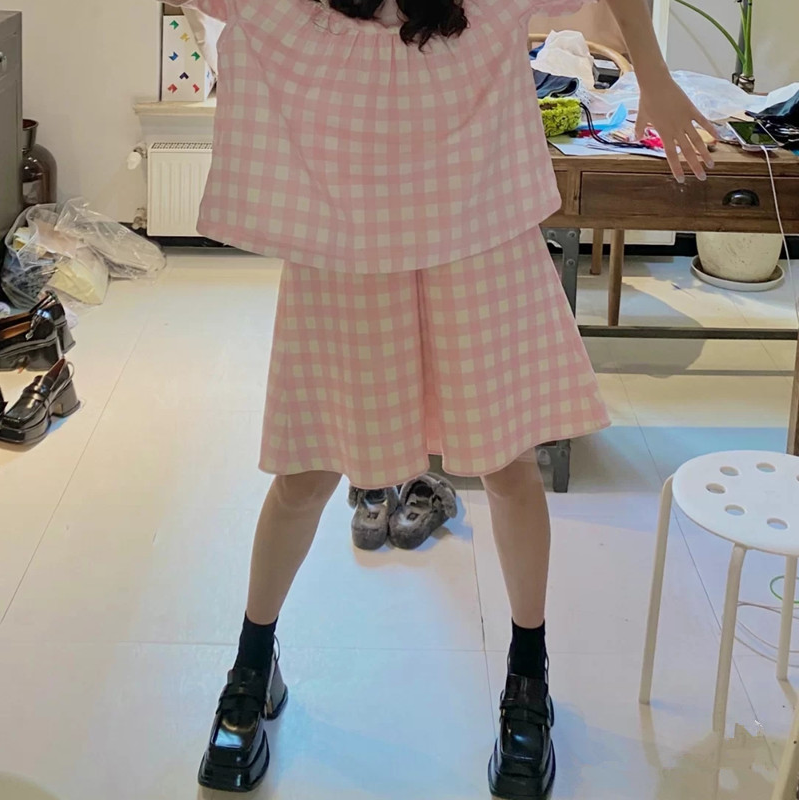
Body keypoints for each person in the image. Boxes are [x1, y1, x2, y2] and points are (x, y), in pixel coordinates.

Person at [165, 0, 715, 795]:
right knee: (304, 474)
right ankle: (252, 666)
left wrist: (656, 79)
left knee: (509, 469)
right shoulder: (297, 9)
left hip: (479, 247)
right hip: (346, 257)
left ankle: (528, 677)